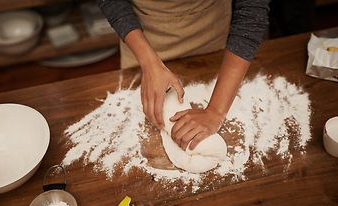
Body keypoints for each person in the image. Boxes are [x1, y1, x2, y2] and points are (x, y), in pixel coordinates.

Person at [97, 0, 270, 151]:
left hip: (210, 37)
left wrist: (216, 112)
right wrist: (149, 63)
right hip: (141, 40)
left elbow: (251, 15)